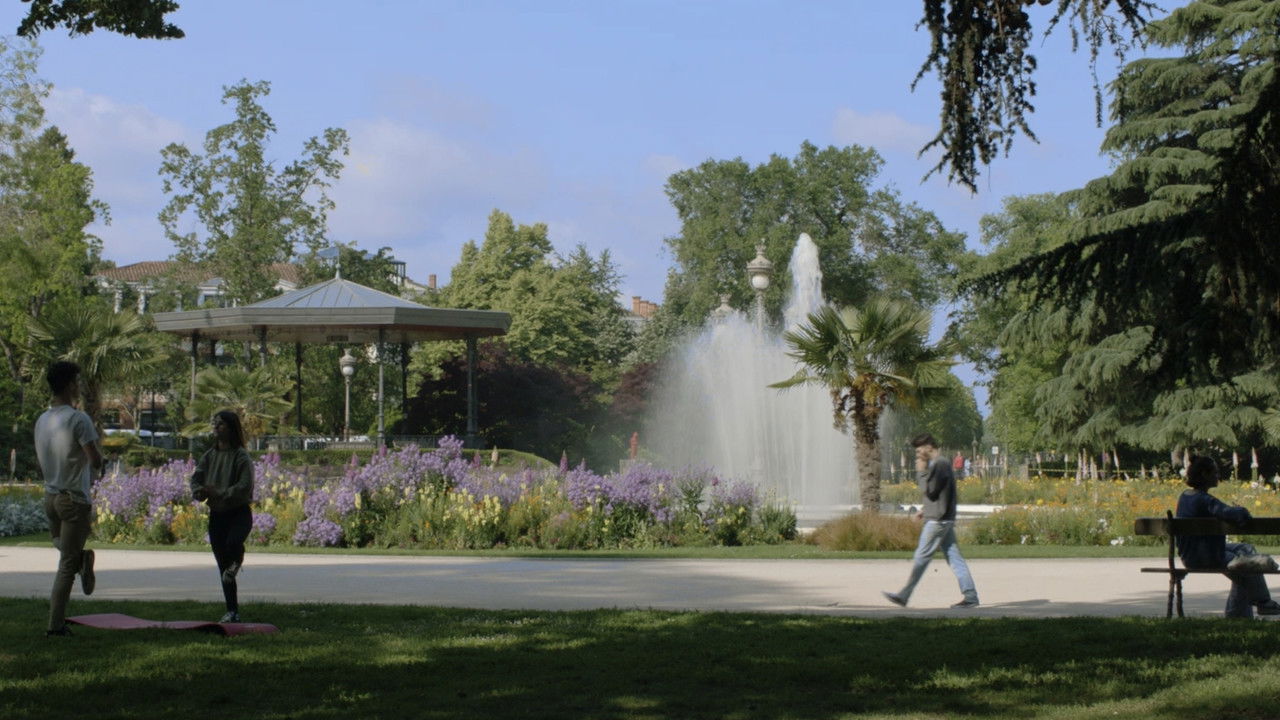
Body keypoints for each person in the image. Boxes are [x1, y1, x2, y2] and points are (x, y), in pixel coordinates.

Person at [35, 360, 104, 636]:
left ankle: (80, 557)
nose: (79, 386)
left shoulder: (43, 419)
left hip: (50, 496)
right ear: (68, 385)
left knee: (61, 548)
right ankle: (55, 626)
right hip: (73, 499)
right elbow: (95, 460)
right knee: (66, 565)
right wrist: (98, 459)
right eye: (76, 381)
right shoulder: (78, 419)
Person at [1176, 455, 1280, 619]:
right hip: (1208, 556)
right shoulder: (1205, 500)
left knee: (1246, 549)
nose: (1218, 475)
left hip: (1191, 554)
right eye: (1215, 473)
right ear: (1204, 474)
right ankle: (1262, 603)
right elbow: (1232, 514)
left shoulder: (1185, 497)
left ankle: (1242, 612)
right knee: (1246, 567)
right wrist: (1243, 510)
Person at [883, 433, 980, 609]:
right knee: (955, 559)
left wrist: (921, 472)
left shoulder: (939, 464)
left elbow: (930, 491)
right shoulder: (941, 464)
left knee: (921, 557)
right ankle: (971, 596)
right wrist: (924, 510)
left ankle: (904, 595)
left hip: (938, 521)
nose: (918, 454)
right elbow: (940, 494)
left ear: (929, 446)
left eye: (919, 450)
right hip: (943, 518)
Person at [190, 410, 254, 623]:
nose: (216, 428)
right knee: (223, 567)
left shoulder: (240, 456)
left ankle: (238, 558)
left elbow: (245, 486)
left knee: (233, 543)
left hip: (238, 513)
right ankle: (232, 611)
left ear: (231, 428)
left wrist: (222, 493)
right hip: (217, 515)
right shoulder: (210, 455)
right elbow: (196, 478)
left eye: (221, 425)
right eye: (214, 424)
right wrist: (198, 490)